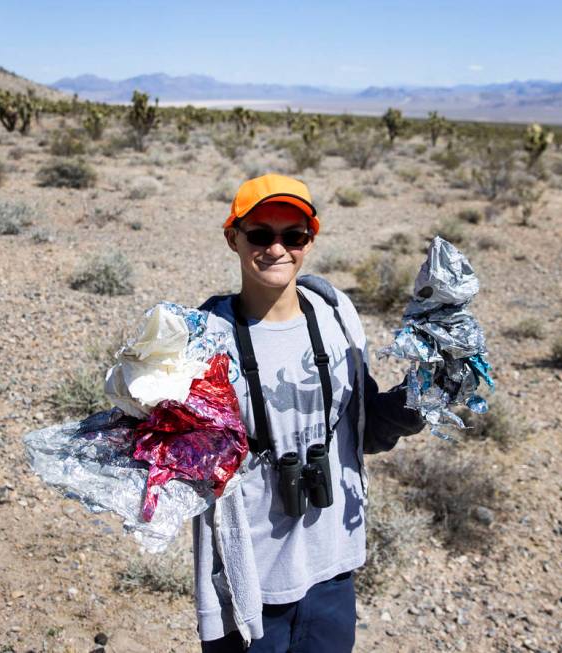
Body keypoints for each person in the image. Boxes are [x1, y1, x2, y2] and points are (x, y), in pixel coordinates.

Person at [193, 173, 426, 652]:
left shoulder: (336, 314)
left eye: (293, 235)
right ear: (232, 238)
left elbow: (365, 430)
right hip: (249, 581)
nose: (277, 248)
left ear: (310, 241)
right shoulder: (204, 338)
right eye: (260, 234)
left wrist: (422, 398)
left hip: (331, 568)